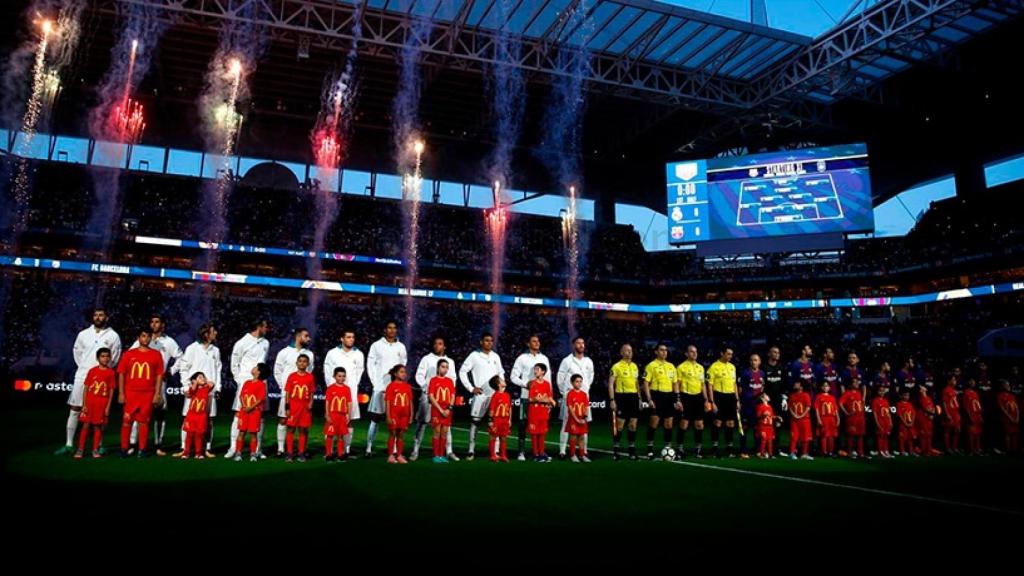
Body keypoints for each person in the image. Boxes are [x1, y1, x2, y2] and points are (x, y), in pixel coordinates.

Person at [58, 307, 121, 456]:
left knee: (101, 414)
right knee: (75, 408)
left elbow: (115, 356)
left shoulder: (113, 336)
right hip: (83, 375)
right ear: (93, 317)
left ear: (107, 317)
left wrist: (102, 371)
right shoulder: (83, 334)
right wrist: (86, 368)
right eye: (96, 315)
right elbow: (77, 352)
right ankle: (69, 444)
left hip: (103, 378)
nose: (98, 317)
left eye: (101, 315)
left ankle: (99, 445)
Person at [127, 314, 182, 457]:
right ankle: (133, 444)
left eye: (157, 322)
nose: (154, 324)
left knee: (159, 414)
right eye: (152, 322)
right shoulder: (143, 339)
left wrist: (170, 371)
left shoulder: (169, 342)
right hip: (142, 383)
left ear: (163, 325)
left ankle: (158, 445)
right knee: (137, 414)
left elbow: (181, 358)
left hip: (159, 383)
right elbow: (129, 355)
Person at [173, 323, 221, 458]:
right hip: (193, 392)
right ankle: (185, 448)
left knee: (209, 420)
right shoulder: (192, 348)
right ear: (206, 334)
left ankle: (206, 448)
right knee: (188, 419)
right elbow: (184, 368)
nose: (216, 333)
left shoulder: (215, 350)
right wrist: (186, 387)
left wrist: (218, 388)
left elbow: (218, 369)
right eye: (213, 331)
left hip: (209, 392)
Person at [117, 327, 164, 457]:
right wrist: (121, 393)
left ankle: (142, 449)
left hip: (147, 394)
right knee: (127, 421)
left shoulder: (156, 354)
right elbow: (121, 373)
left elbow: (160, 375)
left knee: (144, 422)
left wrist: (157, 393)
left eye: (148, 336)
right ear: (138, 338)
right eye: (143, 336)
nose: (146, 339)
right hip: (131, 393)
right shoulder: (129, 354)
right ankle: (124, 449)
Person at [228, 318, 270, 459]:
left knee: (261, 414)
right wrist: (239, 379)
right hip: (246, 382)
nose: (267, 329)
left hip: (261, 382)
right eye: (265, 326)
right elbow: (234, 363)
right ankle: (234, 448)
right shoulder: (242, 342)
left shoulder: (266, 343)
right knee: (239, 413)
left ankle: (257, 449)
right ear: (259, 326)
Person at [458, 333, 504, 460]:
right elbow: (462, 371)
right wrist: (471, 388)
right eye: (486, 340)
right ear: (481, 342)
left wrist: (502, 389)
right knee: (475, 422)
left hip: (495, 395)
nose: (489, 343)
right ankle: (471, 450)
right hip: (481, 394)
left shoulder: (495, 356)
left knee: (496, 422)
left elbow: (501, 372)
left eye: (491, 341)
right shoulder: (474, 356)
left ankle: (496, 451)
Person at [366, 321, 407, 458]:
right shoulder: (376, 345)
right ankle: (369, 448)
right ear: (385, 330)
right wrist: (375, 383)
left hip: (396, 389)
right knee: (375, 418)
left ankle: (395, 449)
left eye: (394, 328)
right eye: (389, 327)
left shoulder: (401, 347)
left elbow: (403, 364)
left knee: (396, 420)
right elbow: (370, 365)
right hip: (380, 387)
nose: (392, 330)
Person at [412, 336, 456, 461]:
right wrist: (426, 388)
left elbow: (453, 379)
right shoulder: (427, 359)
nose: (437, 346)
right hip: (428, 396)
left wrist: (450, 398)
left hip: (445, 400)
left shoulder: (450, 362)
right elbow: (419, 375)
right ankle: (415, 450)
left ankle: (448, 451)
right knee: (422, 423)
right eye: (436, 344)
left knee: (446, 426)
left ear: (444, 346)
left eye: (440, 344)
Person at [322, 328, 364, 458]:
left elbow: (359, 371)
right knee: (331, 422)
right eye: (348, 337)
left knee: (349, 421)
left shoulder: (359, 354)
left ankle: (346, 450)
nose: (351, 339)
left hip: (349, 392)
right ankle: (329, 451)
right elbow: (327, 370)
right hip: (335, 394)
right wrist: (333, 387)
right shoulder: (332, 353)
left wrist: (352, 386)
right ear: (342, 338)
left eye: (352, 337)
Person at [273, 328, 314, 458]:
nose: (309, 338)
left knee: (303, 425)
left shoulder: (310, 354)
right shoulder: (284, 352)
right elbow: (277, 371)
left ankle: (301, 450)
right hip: (288, 394)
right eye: (306, 336)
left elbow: (310, 372)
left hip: (303, 397)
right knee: (283, 419)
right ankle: (281, 448)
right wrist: (284, 387)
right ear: (298, 336)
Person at [510, 335, 551, 461]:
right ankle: (521, 452)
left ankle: (539, 452)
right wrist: (525, 384)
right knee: (523, 424)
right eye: (534, 341)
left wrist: (549, 399)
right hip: (526, 398)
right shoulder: (522, 358)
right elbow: (513, 376)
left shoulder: (544, 358)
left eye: (538, 341)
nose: (537, 343)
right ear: (528, 344)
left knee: (541, 426)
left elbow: (548, 379)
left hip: (542, 400)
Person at [556, 337, 595, 459]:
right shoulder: (567, 361)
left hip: (584, 396)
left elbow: (590, 376)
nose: (581, 345)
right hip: (570, 395)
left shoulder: (588, 361)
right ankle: (562, 450)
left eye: (583, 343)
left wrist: (586, 388)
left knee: (584, 422)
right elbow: (560, 378)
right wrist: (565, 392)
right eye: (578, 343)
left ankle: (584, 451)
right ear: (574, 345)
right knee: (566, 423)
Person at [75, 348, 116, 459]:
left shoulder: (111, 373)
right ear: (98, 358)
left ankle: (95, 450)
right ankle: (80, 449)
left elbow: (111, 390)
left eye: (107, 356)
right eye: (102, 356)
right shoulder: (92, 371)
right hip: (90, 403)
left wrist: (108, 406)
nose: (105, 358)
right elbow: (86, 388)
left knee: (97, 427)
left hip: (102, 403)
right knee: (85, 425)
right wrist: (84, 404)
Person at [642, 343, 677, 459]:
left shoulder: (671, 366)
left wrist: (677, 399)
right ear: (656, 352)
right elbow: (646, 383)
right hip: (656, 395)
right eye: (661, 350)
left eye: (666, 350)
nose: (664, 352)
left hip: (669, 396)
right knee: (654, 422)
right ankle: (650, 450)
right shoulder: (651, 366)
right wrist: (649, 398)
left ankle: (668, 448)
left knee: (669, 423)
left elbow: (675, 383)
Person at [675, 344, 708, 459]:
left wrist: (706, 400)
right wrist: (678, 399)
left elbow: (703, 385)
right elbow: (677, 384)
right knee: (684, 424)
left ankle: (698, 450)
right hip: (686, 397)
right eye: (692, 352)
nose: (694, 353)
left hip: (698, 398)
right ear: (686, 354)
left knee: (699, 425)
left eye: (696, 351)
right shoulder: (681, 367)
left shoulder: (700, 367)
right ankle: (679, 449)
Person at [608, 343, 640, 460]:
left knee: (633, 424)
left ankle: (631, 449)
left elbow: (637, 384)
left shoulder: (635, 366)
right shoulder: (616, 367)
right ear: (621, 352)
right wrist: (612, 400)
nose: (629, 352)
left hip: (634, 397)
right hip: (621, 397)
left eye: (630, 350)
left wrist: (640, 399)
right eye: (626, 350)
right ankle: (616, 450)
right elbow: (611, 384)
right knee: (620, 425)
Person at [707, 347, 739, 458]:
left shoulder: (732, 367)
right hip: (719, 396)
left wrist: (737, 400)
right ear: (722, 353)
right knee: (718, 422)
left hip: (730, 397)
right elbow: (709, 385)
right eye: (728, 354)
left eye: (731, 354)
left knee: (730, 423)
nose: (730, 356)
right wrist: (712, 401)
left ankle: (729, 449)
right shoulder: (713, 367)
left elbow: (735, 384)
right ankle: (714, 449)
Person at [233, 363, 268, 462]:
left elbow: (260, 399)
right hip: (244, 412)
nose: (253, 368)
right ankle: (238, 453)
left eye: (256, 368)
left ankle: (253, 454)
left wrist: (251, 407)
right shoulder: (247, 382)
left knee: (253, 434)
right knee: (241, 432)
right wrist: (244, 406)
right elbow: (241, 396)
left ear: (259, 372)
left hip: (255, 413)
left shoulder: (261, 385)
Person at [283, 354, 314, 463]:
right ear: (296, 363)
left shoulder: (310, 377)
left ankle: (301, 453)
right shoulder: (292, 376)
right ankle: (290, 453)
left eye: (304, 361)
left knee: (302, 430)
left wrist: (311, 403)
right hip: (293, 407)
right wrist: (287, 407)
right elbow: (287, 393)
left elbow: (311, 393)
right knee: (290, 430)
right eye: (300, 361)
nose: (302, 363)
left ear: (308, 364)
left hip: (304, 408)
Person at [428, 359, 456, 463]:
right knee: (437, 432)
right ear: (438, 367)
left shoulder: (449, 381)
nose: (445, 369)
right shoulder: (433, 380)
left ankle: (441, 455)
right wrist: (440, 410)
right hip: (437, 410)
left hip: (447, 411)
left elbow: (452, 396)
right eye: (443, 366)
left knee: (444, 433)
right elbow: (431, 396)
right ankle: (435, 455)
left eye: (446, 367)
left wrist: (449, 408)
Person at [737, 353, 765, 459]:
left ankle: (758, 450)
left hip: (757, 406)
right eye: (752, 360)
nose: (754, 362)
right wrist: (739, 401)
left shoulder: (762, 373)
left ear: (759, 362)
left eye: (756, 360)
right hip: (747, 404)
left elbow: (762, 388)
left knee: (757, 428)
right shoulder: (745, 373)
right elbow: (740, 389)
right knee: (744, 428)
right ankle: (743, 451)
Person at [527, 364, 555, 462]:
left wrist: (550, 401)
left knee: (542, 433)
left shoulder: (547, 384)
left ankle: (542, 452)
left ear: (543, 372)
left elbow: (549, 398)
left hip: (543, 413)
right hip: (534, 413)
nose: (535, 371)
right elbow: (530, 399)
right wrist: (541, 400)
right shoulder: (532, 383)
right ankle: (535, 454)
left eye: (537, 369)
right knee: (534, 434)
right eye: (535, 370)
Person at [385, 364, 413, 464]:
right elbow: (387, 402)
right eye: (401, 372)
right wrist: (388, 416)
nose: (404, 374)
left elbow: (410, 402)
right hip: (394, 415)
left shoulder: (407, 386)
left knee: (401, 435)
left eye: (404, 372)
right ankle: (391, 455)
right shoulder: (391, 386)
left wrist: (411, 415)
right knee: (393, 433)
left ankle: (399, 455)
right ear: (395, 373)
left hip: (404, 415)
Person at [181, 372, 212, 460]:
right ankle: (186, 452)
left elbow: (212, 384)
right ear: (194, 380)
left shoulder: (206, 388)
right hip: (191, 416)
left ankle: (198, 453)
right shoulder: (193, 390)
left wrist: (203, 381)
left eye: (203, 377)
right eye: (200, 377)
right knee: (189, 434)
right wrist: (195, 383)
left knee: (199, 434)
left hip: (201, 416)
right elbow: (191, 391)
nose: (203, 378)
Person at [324, 367, 352, 462]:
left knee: (341, 435)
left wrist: (349, 414)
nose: (341, 378)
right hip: (332, 415)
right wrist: (327, 415)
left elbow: (349, 403)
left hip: (342, 416)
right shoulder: (330, 388)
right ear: (334, 376)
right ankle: (329, 454)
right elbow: (327, 402)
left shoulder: (347, 389)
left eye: (343, 376)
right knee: (330, 435)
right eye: (339, 376)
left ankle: (340, 454)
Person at [565, 374, 590, 463]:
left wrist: (584, 418)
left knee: (582, 437)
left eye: (580, 381)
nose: (579, 383)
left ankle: (582, 455)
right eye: (577, 381)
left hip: (582, 419)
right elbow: (571, 408)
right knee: (573, 437)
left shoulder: (584, 394)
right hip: (573, 420)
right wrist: (576, 419)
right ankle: (572, 455)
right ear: (572, 383)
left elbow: (586, 407)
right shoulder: (570, 394)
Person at [488, 375, 512, 462]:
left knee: (503, 438)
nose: (504, 380)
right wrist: (490, 421)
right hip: (497, 420)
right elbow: (492, 409)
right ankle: (493, 455)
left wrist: (509, 420)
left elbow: (509, 408)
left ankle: (503, 455)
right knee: (493, 437)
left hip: (505, 420)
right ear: (498, 384)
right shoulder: (495, 396)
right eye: (501, 380)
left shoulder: (507, 395)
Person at [840, 379, 866, 458]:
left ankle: (860, 453)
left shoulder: (859, 393)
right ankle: (850, 452)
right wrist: (846, 413)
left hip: (860, 417)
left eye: (858, 382)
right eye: (855, 382)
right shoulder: (847, 393)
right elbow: (840, 403)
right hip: (852, 418)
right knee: (851, 435)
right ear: (850, 385)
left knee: (860, 435)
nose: (857, 383)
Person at [788, 381, 813, 460]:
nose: (794, 384)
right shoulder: (792, 396)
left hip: (804, 419)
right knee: (794, 437)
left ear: (801, 387)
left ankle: (804, 454)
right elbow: (790, 407)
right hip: (794, 420)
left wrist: (801, 415)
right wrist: (794, 415)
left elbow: (808, 407)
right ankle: (792, 453)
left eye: (797, 384)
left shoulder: (805, 395)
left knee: (805, 437)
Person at [815, 382, 839, 458]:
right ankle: (824, 451)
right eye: (824, 386)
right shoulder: (818, 397)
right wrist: (818, 419)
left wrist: (838, 418)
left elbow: (835, 410)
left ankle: (830, 451)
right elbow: (817, 409)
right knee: (824, 435)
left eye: (827, 386)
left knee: (831, 436)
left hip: (831, 418)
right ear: (821, 388)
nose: (826, 387)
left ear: (830, 388)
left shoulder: (832, 397)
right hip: (823, 418)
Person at [871, 382, 894, 459]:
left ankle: (886, 450)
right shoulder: (875, 401)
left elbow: (888, 413)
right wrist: (877, 422)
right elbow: (874, 413)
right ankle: (880, 451)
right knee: (880, 436)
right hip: (880, 421)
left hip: (886, 421)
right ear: (877, 392)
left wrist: (890, 421)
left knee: (886, 436)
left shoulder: (886, 401)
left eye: (883, 391)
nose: (882, 392)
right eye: (880, 391)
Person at [941, 375, 962, 455]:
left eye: (955, 380)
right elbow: (944, 402)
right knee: (948, 431)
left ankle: (954, 447)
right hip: (950, 412)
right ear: (949, 381)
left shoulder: (954, 390)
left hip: (956, 413)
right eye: (953, 380)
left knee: (957, 430)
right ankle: (948, 448)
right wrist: (947, 413)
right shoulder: (946, 390)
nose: (954, 381)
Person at [998, 379, 1020, 453]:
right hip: (1007, 418)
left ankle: (1015, 449)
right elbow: (1002, 408)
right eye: (1006, 385)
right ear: (1003, 386)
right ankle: (1008, 450)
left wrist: (1017, 417)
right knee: (1008, 433)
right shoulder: (1000, 395)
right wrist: (1010, 417)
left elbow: (1016, 407)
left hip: (1015, 418)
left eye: (1009, 385)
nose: (1008, 386)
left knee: (1015, 433)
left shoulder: (1012, 396)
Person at [963, 378, 984, 455]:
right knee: (971, 433)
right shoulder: (966, 392)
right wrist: (969, 416)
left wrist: (980, 416)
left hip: (977, 415)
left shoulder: (976, 393)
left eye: (973, 381)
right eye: (970, 381)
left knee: (978, 433)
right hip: (971, 415)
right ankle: (971, 450)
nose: (972, 383)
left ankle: (977, 449)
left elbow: (978, 405)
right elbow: (966, 406)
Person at [755, 393, 778, 459]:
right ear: (763, 398)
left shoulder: (770, 407)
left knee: (770, 440)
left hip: (770, 426)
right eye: (766, 396)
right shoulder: (760, 406)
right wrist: (763, 415)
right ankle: (762, 453)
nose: (768, 396)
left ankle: (770, 454)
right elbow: (758, 416)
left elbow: (771, 416)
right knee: (764, 439)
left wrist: (777, 417)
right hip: (763, 426)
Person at [896, 391, 917, 456]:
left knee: (910, 438)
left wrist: (912, 422)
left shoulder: (910, 404)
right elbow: (899, 415)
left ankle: (911, 450)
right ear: (901, 396)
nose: (906, 397)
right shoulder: (899, 404)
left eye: (908, 395)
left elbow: (913, 414)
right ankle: (902, 451)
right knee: (902, 438)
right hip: (903, 424)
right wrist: (905, 423)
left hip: (910, 424)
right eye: (905, 395)